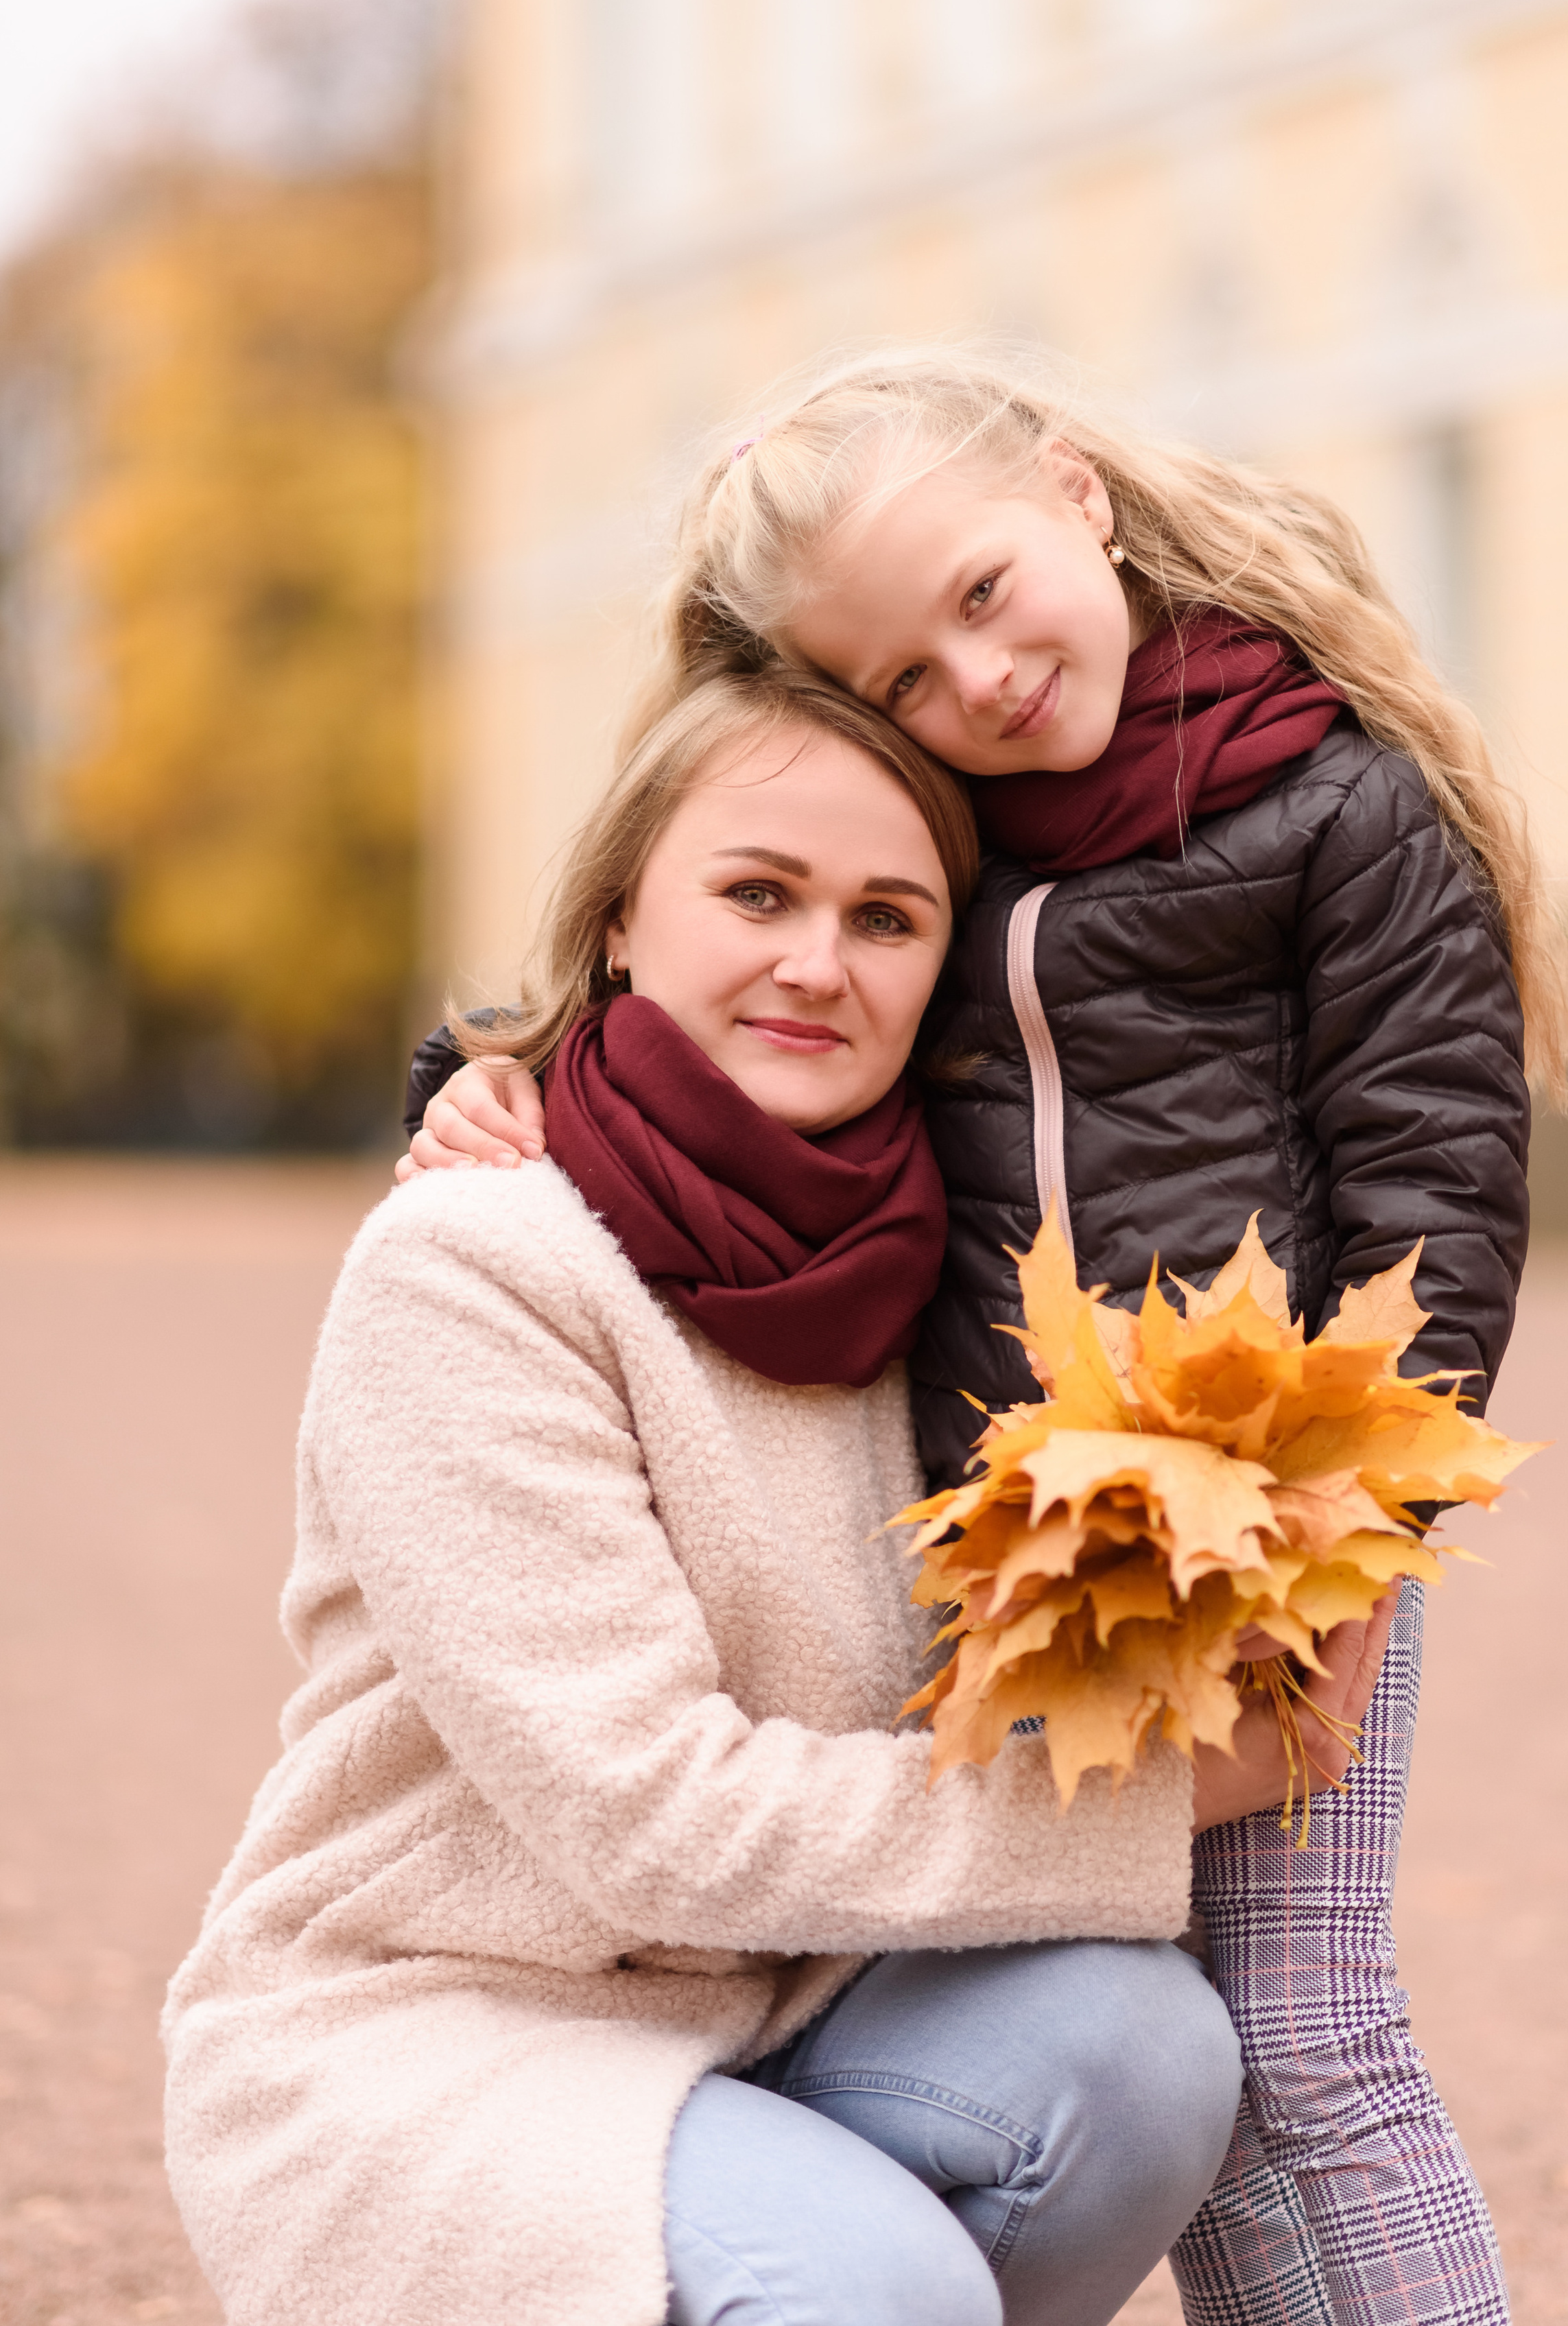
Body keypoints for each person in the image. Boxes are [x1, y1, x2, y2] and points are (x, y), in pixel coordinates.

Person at [411, 347, 1568, 2326]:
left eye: (978, 596)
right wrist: (472, 1077)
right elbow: (706, 946)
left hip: (1281, 1518)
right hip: (1008, 1547)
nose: (972, 685)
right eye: (893, 680)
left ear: (1074, 497)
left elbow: (1436, 1185)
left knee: (1303, 2023)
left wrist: (1357, 1517)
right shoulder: (940, 836)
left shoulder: (1337, 803)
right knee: (1158, 2031)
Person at [164, 665, 1391, 2326]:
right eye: (755, 894)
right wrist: (1168, 1800)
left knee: (1137, 2050)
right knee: (879, 2289)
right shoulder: (476, 1265)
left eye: (885, 919)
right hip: (429, 2032)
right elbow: (656, 1822)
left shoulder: (943, 1273)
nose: (816, 964)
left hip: (774, 2017)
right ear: (615, 919)